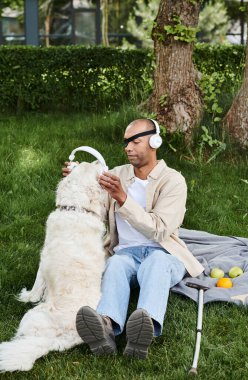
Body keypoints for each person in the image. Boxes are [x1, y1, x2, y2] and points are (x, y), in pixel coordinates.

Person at [63, 119, 204, 359]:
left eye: (135, 141)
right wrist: (76, 178)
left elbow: (159, 230)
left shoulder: (173, 181)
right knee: (116, 265)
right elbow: (94, 205)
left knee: (156, 264)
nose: (128, 147)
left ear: (154, 141)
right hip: (125, 252)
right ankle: (105, 327)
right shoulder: (118, 173)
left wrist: (123, 199)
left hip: (164, 253)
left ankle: (143, 327)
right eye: (126, 142)